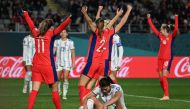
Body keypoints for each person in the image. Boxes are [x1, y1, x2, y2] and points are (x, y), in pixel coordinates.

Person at [78, 4, 132, 109]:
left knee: (82, 85)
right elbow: (122, 22)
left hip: (93, 61)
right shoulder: (111, 33)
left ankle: (83, 105)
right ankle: (108, 105)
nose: (108, 22)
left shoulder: (96, 31)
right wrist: (124, 13)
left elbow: (91, 22)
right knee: (97, 85)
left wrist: (85, 13)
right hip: (104, 63)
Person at [21, 10, 72, 109]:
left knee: (34, 90)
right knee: (54, 88)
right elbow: (61, 26)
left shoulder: (36, 32)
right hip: (47, 65)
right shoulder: (51, 33)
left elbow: (30, 23)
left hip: (36, 65)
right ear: (50, 27)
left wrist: (25, 14)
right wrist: (69, 19)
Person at [147, 14, 178, 101]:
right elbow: (153, 28)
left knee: (164, 77)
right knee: (161, 80)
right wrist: (148, 18)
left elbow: (175, 29)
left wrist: (176, 17)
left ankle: (166, 95)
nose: (160, 30)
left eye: (161, 28)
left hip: (166, 59)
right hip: (159, 59)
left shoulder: (171, 36)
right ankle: (165, 93)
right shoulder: (160, 36)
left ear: (165, 29)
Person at [54, 29, 76, 100]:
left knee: (65, 78)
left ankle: (64, 94)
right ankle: (59, 91)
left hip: (67, 63)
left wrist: (73, 63)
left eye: (64, 32)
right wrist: (52, 51)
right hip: (58, 62)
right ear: (60, 34)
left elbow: (73, 53)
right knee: (57, 79)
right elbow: (53, 52)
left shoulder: (70, 42)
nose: (63, 33)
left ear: (67, 34)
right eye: (62, 32)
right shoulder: (56, 42)